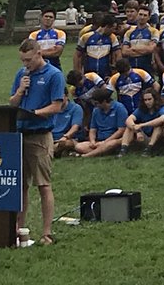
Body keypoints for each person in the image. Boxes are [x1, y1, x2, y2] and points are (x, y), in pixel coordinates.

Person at [9, 38, 66, 246]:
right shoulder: (21, 75)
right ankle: (18, 229)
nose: (26, 65)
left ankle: (47, 232)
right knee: (21, 186)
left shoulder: (54, 75)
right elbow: (12, 103)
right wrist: (20, 91)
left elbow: (56, 106)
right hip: (19, 135)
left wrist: (34, 113)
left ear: (39, 54)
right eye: (23, 61)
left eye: (29, 60)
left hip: (40, 135)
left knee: (43, 184)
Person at [76, 87, 128, 158]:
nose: (95, 105)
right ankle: (101, 152)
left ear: (104, 101)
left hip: (113, 139)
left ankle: (86, 155)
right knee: (79, 146)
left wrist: (105, 142)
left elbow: (121, 130)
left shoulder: (119, 108)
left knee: (110, 144)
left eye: (97, 103)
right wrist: (92, 141)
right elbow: (93, 129)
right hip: (99, 140)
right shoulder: (96, 110)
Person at [121, 83, 164, 155]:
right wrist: (137, 130)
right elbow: (128, 120)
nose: (147, 102)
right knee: (129, 127)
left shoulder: (162, 109)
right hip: (144, 136)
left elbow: (162, 119)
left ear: (155, 99)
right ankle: (123, 149)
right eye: (145, 100)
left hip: (158, 138)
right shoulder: (141, 110)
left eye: (149, 99)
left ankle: (149, 149)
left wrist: (142, 125)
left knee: (158, 126)